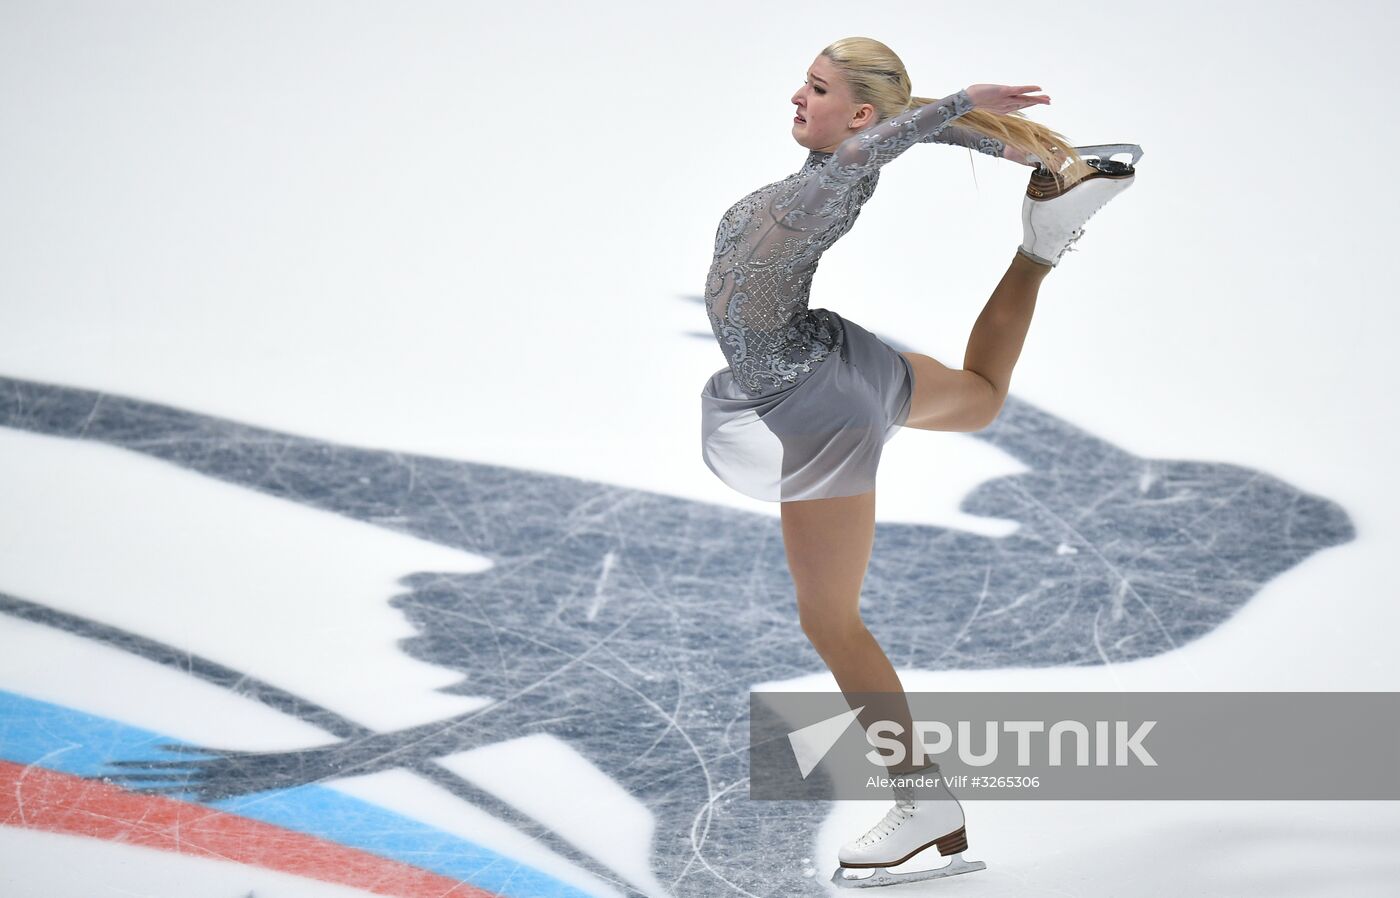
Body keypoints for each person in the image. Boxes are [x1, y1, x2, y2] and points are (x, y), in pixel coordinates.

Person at [697, 36, 1141, 888]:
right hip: (830, 356)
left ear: (857, 115)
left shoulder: (833, 178)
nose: (798, 95)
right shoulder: (846, 159)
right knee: (978, 397)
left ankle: (921, 798)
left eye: (818, 88)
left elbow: (890, 136)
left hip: (816, 403)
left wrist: (956, 104)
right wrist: (1009, 144)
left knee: (831, 622)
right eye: (805, 79)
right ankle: (1044, 241)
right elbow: (898, 134)